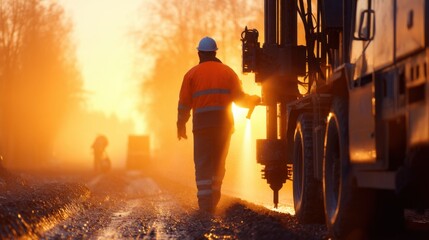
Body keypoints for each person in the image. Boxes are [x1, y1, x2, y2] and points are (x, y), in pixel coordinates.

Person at [177, 36, 261, 213]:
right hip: (223, 127)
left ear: (199, 53)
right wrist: (252, 100)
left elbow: (184, 103)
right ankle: (214, 199)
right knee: (218, 162)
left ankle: (205, 204)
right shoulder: (228, 72)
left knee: (202, 163)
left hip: (202, 128)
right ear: (215, 53)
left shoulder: (191, 74)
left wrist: (181, 124)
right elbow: (239, 99)